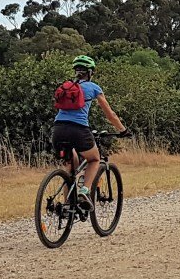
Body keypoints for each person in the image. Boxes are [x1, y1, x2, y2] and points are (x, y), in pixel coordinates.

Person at [52, 55, 129, 210]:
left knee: (71, 166)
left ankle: (67, 205)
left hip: (58, 129)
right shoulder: (93, 88)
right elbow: (110, 115)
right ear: (90, 72)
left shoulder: (66, 86)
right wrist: (123, 130)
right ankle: (84, 192)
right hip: (79, 129)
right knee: (94, 159)